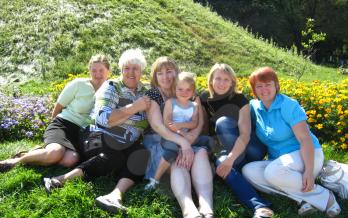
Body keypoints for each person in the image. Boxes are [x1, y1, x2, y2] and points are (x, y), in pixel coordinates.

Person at [43, 48, 151, 196]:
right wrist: (134, 107)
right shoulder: (111, 86)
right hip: (95, 135)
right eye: (126, 68)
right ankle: (59, 180)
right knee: (115, 156)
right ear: (121, 70)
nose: (131, 72)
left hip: (125, 141)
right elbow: (103, 119)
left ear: (142, 71)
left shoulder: (146, 92)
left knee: (141, 154)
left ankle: (115, 196)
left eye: (135, 68)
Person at [242, 67, 341, 217]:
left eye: (268, 84)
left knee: (273, 172)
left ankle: (325, 196)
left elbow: (305, 139)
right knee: (248, 171)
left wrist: (309, 170)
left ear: (276, 85)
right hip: (279, 162)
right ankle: (301, 199)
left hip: (307, 155)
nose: (264, 89)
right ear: (254, 90)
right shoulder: (254, 107)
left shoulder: (289, 105)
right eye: (259, 86)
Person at [143, 57, 220, 218]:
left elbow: (199, 122)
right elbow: (158, 126)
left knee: (200, 153)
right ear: (155, 76)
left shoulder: (187, 91)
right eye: (160, 73)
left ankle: (207, 210)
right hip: (160, 140)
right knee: (177, 157)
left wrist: (189, 140)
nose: (165, 76)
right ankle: (189, 212)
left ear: (176, 72)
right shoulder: (153, 95)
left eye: (169, 71)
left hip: (187, 138)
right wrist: (183, 143)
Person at [0, 54, 111, 172]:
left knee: (70, 160)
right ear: (89, 70)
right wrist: (52, 127)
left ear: (108, 71)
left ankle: (33, 154)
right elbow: (59, 106)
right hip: (63, 124)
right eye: (94, 70)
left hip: (80, 133)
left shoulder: (111, 90)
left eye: (101, 70)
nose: (97, 74)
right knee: (55, 153)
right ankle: (14, 162)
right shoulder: (79, 84)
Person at [200, 63, 274, 218]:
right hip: (228, 148)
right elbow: (204, 128)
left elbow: (245, 134)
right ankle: (260, 206)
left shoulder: (240, 99)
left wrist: (230, 159)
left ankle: (235, 168)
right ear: (211, 80)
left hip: (251, 148)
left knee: (223, 123)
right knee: (221, 165)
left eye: (226, 79)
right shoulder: (204, 98)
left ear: (232, 82)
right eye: (218, 78)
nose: (221, 82)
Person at [144, 72, 213, 190]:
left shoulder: (194, 106)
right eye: (180, 89)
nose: (184, 93)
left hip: (186, 136)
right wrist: (182, 134)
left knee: (208, 141)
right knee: (172, 149)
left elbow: (194, 123)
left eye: (188, 90)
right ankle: (155, 179)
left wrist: (183, 128)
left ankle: (208, 167)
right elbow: (167, 122)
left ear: (193, 91)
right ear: (175, 89)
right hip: (171, 136)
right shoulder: (171, 103)